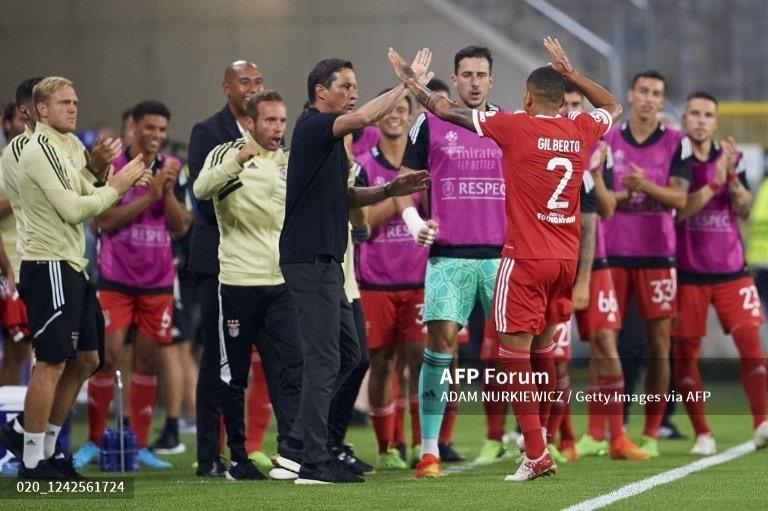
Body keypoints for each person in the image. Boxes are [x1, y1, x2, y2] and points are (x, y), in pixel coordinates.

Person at [388, 36, 622, 481]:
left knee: (512, 356)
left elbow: (442, 110)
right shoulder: (580, 129)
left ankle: (534, 451)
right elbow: (612, 106)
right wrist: (574, 75)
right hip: (564, 261)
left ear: (527, 96)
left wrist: (412, 85)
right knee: (545, 353)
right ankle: (540, 442)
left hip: (521, 258)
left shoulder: (514, 125)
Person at [276, 53, 431, 485]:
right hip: (308, 258)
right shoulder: (312, 128)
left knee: (352, 355)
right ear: (320, 92)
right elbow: (365, 117)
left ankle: (299, 444)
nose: (353, 93)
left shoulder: (330, 143)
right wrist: (408, 85)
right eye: (344, 85)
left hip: (329, 261)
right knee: (324, 358)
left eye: (354, 85)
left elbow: (343, 200)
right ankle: (311, 459)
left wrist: (388, 189)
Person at [15, 76, 147, 478]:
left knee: (89, 358)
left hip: (72, 262)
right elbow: (75, 210)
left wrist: (97, 169)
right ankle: (32, 458)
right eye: (64, 102)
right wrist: (118, 184)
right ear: (40, 110)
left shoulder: (69, 146)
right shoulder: (38, 148)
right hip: (47, 262)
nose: (73, 108)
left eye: (75, 102)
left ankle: (49, 449)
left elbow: (86, 190)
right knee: (52, 360)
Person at [394, 46, 507, 474]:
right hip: (448, 257)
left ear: (492, 81)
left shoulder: (508, 124)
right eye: (466, 74)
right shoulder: (429, 122)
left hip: (502, 256)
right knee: (438, 349)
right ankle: (430, 450)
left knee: (516, 350)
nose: (474, 81)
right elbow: (404, 182)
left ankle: (535, 442)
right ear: (455, 81)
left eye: (481, 74)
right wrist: (410, 220)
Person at [73, 101, 190, 470]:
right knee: (106, 357)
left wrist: (166, 193)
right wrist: (150, 199)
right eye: (149, 128)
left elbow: (182, 225)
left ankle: (137, 445)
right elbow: (103, 222)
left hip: (157, 283)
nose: (156, 135)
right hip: (116, 280)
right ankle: (93, 441)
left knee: (150, 359)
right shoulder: (113, 168)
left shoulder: (172, 169)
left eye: (161, 129)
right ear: (133, 128)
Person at [193, 90, 304, 480]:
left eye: (282, 121)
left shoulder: (290, 160)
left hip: (281, 284)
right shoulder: (226, 152)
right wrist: (238, 161)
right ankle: (237, 456)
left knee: (291, 369)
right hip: (238, 282)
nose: (278, 128)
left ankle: (290, 453)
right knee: (232, 376)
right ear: (251, 123)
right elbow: (200, 189)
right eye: (270, 121)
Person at [186, 60, 271, 477]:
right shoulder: (208, 132)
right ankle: (208, 455)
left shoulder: (271, 131)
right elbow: (202, 198)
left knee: (261, 359)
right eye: (244, 82)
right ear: (226, 88)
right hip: (216, 260)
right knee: (215, 360)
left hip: (261, 264)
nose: (253, 88)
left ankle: (252, 447)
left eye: (258, 80)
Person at [602, 70, 693, 457]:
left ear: (662, 99)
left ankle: (653, 433)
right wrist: (625, 194)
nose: (649, 99)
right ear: (631, 94)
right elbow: (601, 196)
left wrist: (645, 188)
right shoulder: (607, 139)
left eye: (657, 93)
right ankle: (610, 429)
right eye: (643, 91)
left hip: (658, 255)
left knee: (659, 345)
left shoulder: (678, 143)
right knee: (607, 343)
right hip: (614, 253)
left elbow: (680, 199)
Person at [556, 85, 649, 462]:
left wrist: (596, 174)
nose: (569, 111)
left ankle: (614, 437)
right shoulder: (538, 145)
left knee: (606, 346)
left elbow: (606, 211)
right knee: (555, 356)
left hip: (597, 264)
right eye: (563, 105)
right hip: (555, 265)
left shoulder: (598, 146)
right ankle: (562, 438)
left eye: (576, 105)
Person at [673, 91, 768, 453]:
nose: (700, 120)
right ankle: (703, 434)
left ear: (715, 122)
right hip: (688, 273)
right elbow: (680, 212)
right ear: (685, 119)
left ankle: (761, 423)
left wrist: (731, 180)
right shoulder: (678, 159)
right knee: (686, 356)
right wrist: (713, 180)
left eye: (707, 115)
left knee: (751, 345)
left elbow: (742, 209)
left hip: (732, 271)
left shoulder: (732, 158)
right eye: (694, 113)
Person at [355, 94, 429, 470]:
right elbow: (362, 225)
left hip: (417, 278)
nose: (395, 116)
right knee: (381, 363)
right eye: (388, 111)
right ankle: (387, 447)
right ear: (377, 119)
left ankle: (420, 444)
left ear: (411, 117)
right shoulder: (364, 167)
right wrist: (396, 192)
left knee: (419, 361)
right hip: (376, 280)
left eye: (402, 110)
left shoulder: (424, 165)